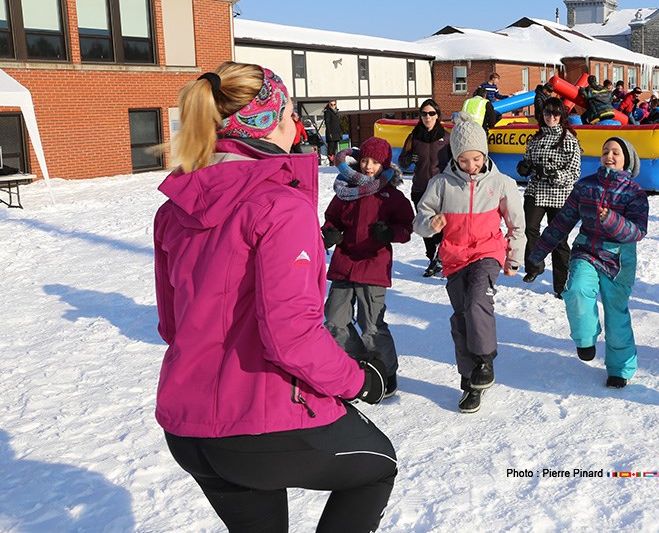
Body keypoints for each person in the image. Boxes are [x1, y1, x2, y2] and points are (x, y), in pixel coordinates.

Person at [154, 62, 396, 533]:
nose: (296, 125)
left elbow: (171, 324)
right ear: (267, 124)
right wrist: (358, 380)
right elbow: (292, 336)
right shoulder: (280, 206)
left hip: (188, 427)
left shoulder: (175, 208)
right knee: (375, 467)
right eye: (288, 113)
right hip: (258, 427)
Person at [413, 114, 525, 413]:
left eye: (476, 159)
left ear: (485, 154)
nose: (471, 166)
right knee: (461, 317)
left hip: (487, 252)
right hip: (454, 257)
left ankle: (485, 360)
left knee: (477, 301)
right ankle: (470, 381)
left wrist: (514, 257)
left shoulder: (501, 183)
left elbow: (516, 224)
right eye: (464, 160)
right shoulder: (441, 184)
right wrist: (430, 224)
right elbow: (420, 220)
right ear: (455, 157)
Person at [529, 137, 649, 388]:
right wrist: (537, 253)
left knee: (616, 315)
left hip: (619, 258)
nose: (609, 155)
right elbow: (563, 221)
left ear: (627, 160)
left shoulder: (634, 193)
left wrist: (611, 220)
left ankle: (619, 369)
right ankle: (585, 338)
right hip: (587, 251)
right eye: (606, 150)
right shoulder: (585, 186)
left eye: (616, 152)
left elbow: (637, 231)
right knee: (575, 290)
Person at [321, 137, 414, 398]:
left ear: (384, 163)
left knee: (371, 324)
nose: (368, 165)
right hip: (344, 263)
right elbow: (331, 219)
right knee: (335, 321)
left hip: (373, 265)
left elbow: (407, 226)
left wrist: (390, 232)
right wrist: (329, 233)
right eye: (364, 160)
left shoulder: (390, 196)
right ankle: (361, 361)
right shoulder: (346, 191)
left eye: (374, 161)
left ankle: (386, 370)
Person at [518, 98, 583, 298]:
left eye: (555, 114)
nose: (551, 117)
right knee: (528, 227)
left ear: (562, 116)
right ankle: (535, 264)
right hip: (536, 190)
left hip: (559, 194)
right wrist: (524, 167)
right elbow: (527, 161)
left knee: (559, 240)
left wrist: (552, 174)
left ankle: (561, 285)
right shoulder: (535, 139)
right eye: (547, 113)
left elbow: (574, 172)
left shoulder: (569, 140)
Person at [398, 99, 449, 277]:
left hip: (441, 189)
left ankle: (441, 257)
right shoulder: (414, 137)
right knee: (425, 225)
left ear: (437, 115)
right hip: (420, 187)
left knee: (441, 226)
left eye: (431, 113)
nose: (428, 117)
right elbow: (402, 161)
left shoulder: (446, 137)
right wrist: (409, 160)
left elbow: (456, 162)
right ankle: (431, 258)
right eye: (424, 114)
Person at [323, 99, 344, 165]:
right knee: (331, 148)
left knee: (334, 147)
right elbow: (327, 123)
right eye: (331, 104)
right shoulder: (328, 112)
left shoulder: (336, 112)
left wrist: (340, 132)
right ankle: (331, 161)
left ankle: (334, 160)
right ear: (329, 105)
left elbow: (338, 123)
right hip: (331, 132)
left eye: (334, 104)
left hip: (336, 132)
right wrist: (329, 133)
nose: (333, 106)